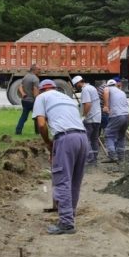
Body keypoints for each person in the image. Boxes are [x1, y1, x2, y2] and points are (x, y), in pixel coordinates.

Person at [33, 79, 89, 235]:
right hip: (83, 138)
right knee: (74, 181)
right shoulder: (65, 97)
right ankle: (70, 215)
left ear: (41, 90)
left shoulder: (41, 97)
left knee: (62, 180)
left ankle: (66, 223)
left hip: (65, 139)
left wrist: (48, 143)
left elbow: (42, 124)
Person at [71, 75, 102, 165]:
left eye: (76, 85)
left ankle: (90, 158)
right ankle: (94, 159)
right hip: (97, 118)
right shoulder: (91, 87)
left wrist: (84, 116)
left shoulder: (85, 90)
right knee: (94, 139)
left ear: (78, 83)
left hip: (90, 119)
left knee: (86, 139)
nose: (76, 87)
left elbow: (87, 104)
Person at [102, 78, 129, 163]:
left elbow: (106, 91)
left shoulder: (107, 88)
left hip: (117, 115)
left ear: (108, 85)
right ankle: (121, 157)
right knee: (121, 135)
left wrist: (106, 106)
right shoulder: (122, 92)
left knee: (108, 134)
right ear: (115, 84)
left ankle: (112, 156)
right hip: (127, 115)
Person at [15, 64, 40, 135]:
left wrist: (23, 94)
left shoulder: (26, 77)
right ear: (34, 70)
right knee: (37, 116)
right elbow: (35, 92)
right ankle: (37, 132)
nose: (40, 71)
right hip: (32, 101)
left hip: (25, 101)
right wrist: (38, 101)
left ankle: (18, 131)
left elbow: (20, 86)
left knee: (24, 116)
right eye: (38, 69)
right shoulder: (35, 79)